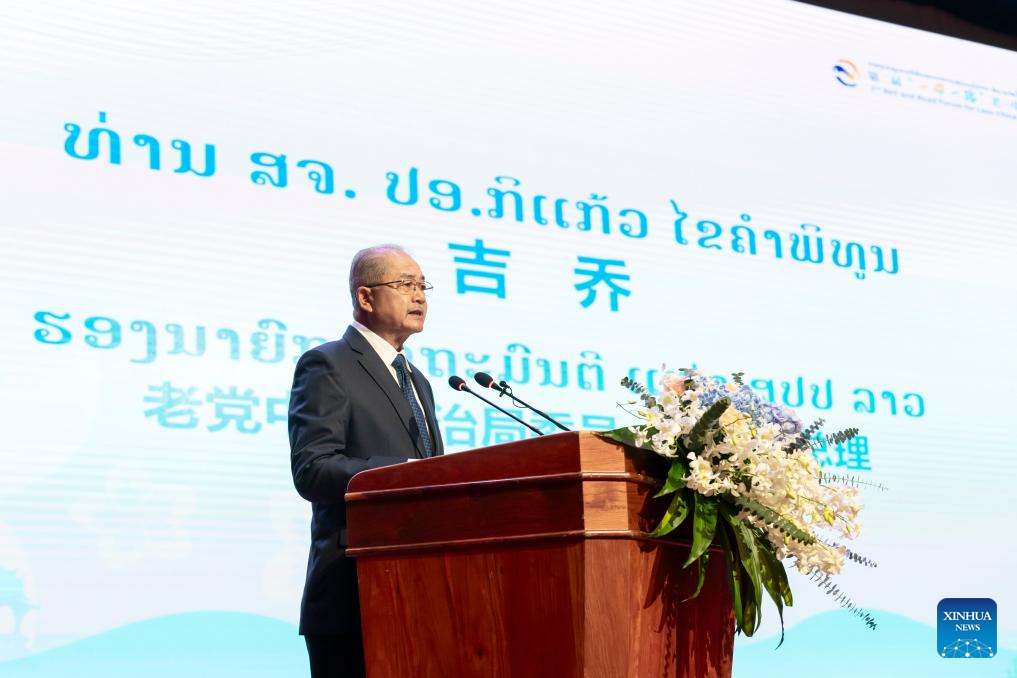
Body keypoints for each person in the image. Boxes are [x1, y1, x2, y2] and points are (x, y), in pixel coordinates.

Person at [288, 244, 444, 677]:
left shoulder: (417, 380)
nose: (419, 296)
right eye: (405, 284)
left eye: (423, 285)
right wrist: (402, 474)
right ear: (366, 297)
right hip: (353, 591)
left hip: (421, 589)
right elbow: (313, 469)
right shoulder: (328, 364)